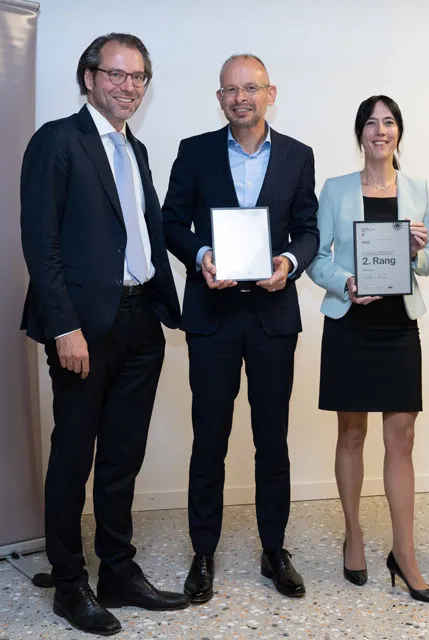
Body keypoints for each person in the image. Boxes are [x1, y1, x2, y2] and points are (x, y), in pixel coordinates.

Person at [20, 33, 187, 636]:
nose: (128, 86)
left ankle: (118, 571)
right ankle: (70, 585)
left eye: (138, 77)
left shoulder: (134, 149)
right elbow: (41, 241)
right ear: (88, 78)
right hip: (83, 328)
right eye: (116, 74)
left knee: (122, 457)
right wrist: (64, 326)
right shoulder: (57, 141)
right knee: (74, 456)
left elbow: (143, 232)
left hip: (141, 321)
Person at [162, 53, 319, 603]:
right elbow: (170, 222)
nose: (240, 98)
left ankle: (274, 549)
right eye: (230, 89)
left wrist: (289, 264)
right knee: (209, 439)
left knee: (272, 440)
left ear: (270, 93)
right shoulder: (194, 151)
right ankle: (203, 551)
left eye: (251, 88)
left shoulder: (298, 155)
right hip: (213, 316)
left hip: (273, 317)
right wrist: (201, 255)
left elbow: (307, 230)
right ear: (219, 98)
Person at [307, 95, 429, 604]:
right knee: (350, 434)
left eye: (388, 122)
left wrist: (416, 252)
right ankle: (354, 534)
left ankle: (404, 553)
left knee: (401, 441)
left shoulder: (420, 188)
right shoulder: (335, 189)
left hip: (398, 327)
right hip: (351, 324)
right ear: (360, 133)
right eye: (371, 123)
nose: (380, 131)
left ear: (398, 132)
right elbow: (316, 258)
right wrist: (346, 282)